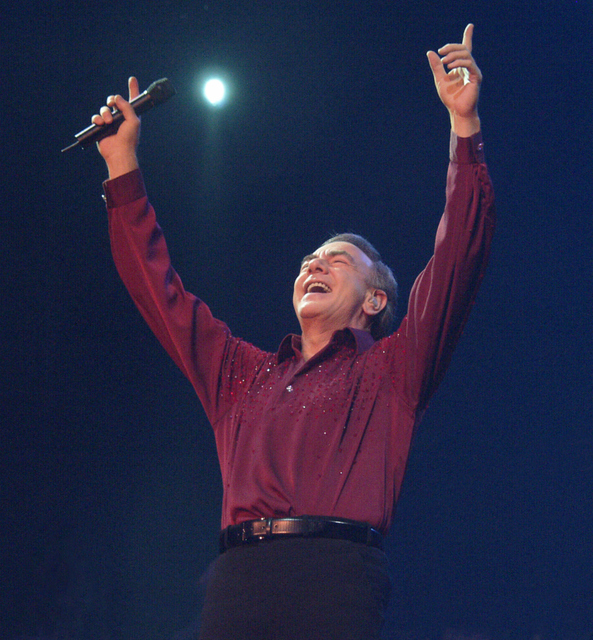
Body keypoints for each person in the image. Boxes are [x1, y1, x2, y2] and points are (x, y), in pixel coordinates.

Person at [93, 23, 494, 640]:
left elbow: (458, 258)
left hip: (335, 577)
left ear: (376, 298)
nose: (315, 263)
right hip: (241, 578)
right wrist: (123, 166)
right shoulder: (241, 374)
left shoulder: (392, 368)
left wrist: (463, 128)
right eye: (310, 258)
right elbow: (161, 294)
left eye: (337, 259)